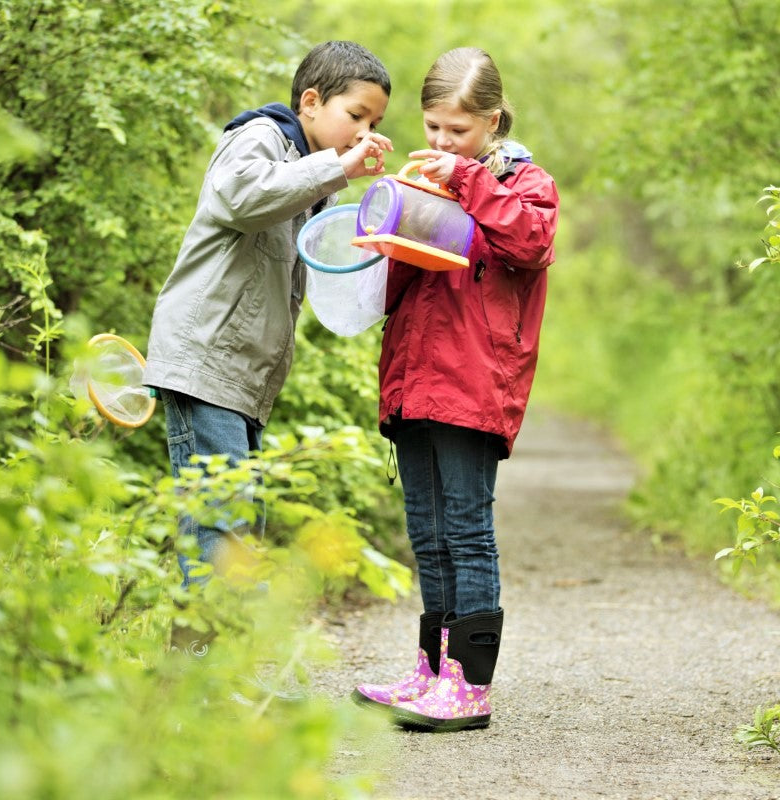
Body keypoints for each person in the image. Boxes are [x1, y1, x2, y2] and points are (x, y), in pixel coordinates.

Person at [141, 41, 394, 646]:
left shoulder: (312, 176)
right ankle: (196, 686)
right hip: (204, 362)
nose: (364, 131)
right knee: (218, 525)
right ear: (310, 102)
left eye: (375, 124)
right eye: (355, 116)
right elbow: (240, 199)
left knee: (238, 528)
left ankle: (213, 674)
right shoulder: (259, 137)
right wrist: (339, 167)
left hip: (241, 379)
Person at [352, 47, 559, 731]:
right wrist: (378, 238)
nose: (441, 143)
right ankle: (432, 670)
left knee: (467, 532)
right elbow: (401, 287)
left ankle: (470, 685)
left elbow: (528, 244)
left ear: (491, 122)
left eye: (458, 131)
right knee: (427, 532)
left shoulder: (525, 186)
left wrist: (466, 180)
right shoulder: (430, 182)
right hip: (414, 380)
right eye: (433, 128)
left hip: (474, 383)